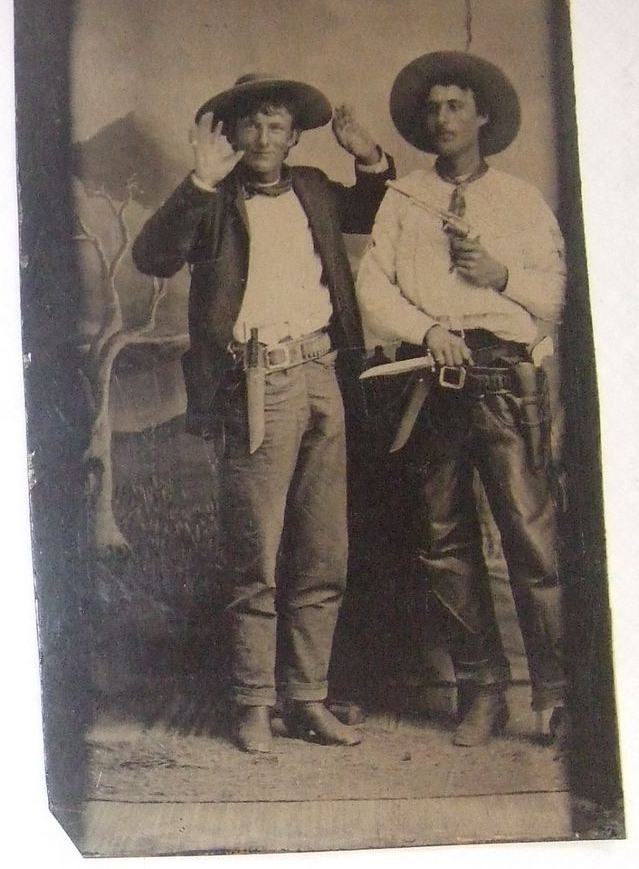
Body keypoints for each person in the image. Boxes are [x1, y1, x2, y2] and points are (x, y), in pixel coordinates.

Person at [133, 73, 394, 753]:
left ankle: (307, 698)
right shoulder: (211, 198)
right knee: (257, 554)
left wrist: (367, 156)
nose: (263, 138)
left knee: (322, 550)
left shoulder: (311, 187)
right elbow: (153, 256)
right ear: (228, 134)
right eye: (249, 125)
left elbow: (370, 207)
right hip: (255, 383)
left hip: (321, 377)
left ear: (295, 136)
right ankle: (252, 703)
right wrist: (197, 182)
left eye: (276, 126)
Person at [356, 51, 567, 746]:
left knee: (530, 539)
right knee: (442, 541)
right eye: (432, 108)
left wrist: (501, 275)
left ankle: (558, 697)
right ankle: (482, 690)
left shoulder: (518, 199)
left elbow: (558, 294)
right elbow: (373, 285)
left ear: (482, 116)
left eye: (454, 106)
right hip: (429, 378)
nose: (441, 118)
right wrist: (426, 328)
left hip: (504, 378)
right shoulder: (403, 197)